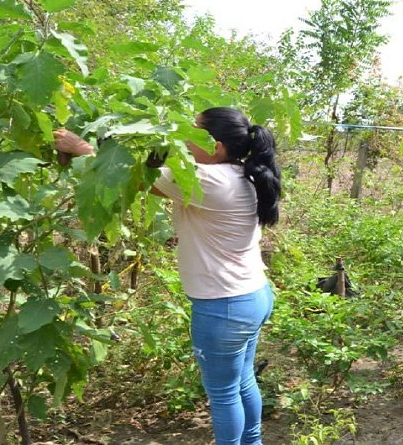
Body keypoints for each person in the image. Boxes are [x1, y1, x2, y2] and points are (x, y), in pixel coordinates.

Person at [54, 107, 281, 444]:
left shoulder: (205, 179)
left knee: (223, 394)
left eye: (192, 134)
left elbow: (133, 177)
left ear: (216, 146)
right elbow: (152, 178)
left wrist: (83, 148)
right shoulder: (240, 174)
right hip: (252, 297)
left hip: (224, 307)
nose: (183, 140)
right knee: (242, 381)